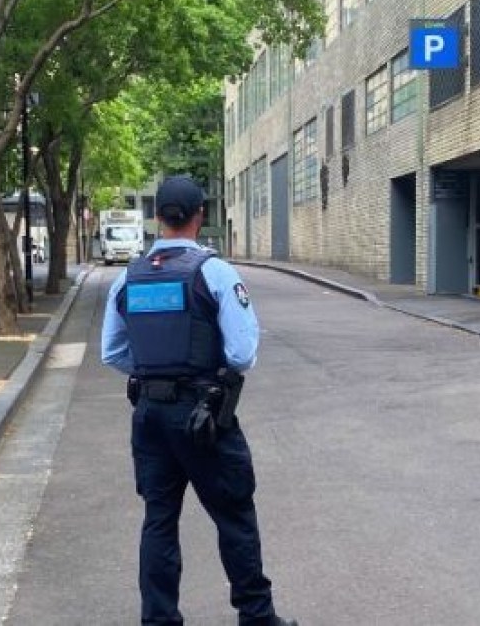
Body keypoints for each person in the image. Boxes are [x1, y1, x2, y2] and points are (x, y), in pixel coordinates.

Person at [102, 175, 296, 626]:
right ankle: (256, 616)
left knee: (159, 519)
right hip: (203, 415)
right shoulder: (214, 272)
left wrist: (153, 371)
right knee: (234, 516)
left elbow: (112, 352)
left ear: (157, 218)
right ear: (199, 217)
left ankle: (159, 619)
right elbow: (242, 352)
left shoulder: (127, 278)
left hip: (149, 416)